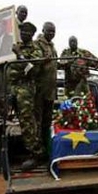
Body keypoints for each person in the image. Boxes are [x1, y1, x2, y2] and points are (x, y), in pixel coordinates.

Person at [8, 22, 45, 171]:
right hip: (14, 87)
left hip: (26, 88)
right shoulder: (15, 45)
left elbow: (32, 70)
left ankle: (37, 154)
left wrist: (20, 55)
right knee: (20, 122)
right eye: (22, 32)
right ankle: (30, 151)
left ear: (32, 35)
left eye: (27, 33)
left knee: (28, 122)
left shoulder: (35, 50)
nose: (23, 35)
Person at [33, 21, 58, 170]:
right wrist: (43, 61)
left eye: (53, 31)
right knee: (37, 122)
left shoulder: (52, 46)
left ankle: (46, 150)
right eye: (49, 31)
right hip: (40, 91)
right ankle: (37, 153)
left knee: (46, 123)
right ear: (43, 30)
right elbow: (34, 63)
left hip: (50, 90)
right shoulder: (38, 44)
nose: (51, 34)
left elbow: (54, 65)